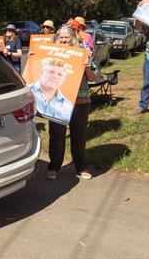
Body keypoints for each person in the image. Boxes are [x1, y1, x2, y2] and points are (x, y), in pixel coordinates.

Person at [46, 26, 98, 181]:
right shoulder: (51, 53)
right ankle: (54, 166)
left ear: (73, 38)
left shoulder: (83, 52)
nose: (63, 40)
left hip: (80, 101)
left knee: (79, 135)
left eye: (66, 37)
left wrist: (86, 66)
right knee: (56, 135)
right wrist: (34, 57)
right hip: (57, 100)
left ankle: (81, 166)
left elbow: (94, 78)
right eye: (61, 37)